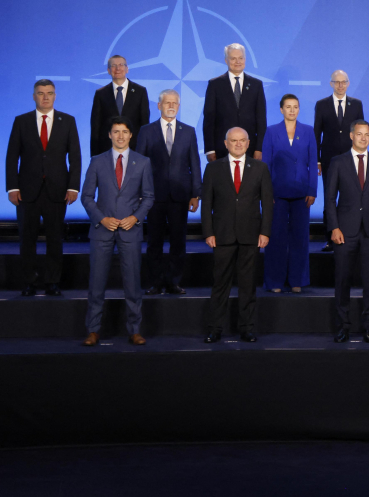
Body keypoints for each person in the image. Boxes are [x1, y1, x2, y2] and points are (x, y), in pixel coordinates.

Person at [80, 117, 154, 346]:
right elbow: (87, 197)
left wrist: (135, 217)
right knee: (96, 284)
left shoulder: (143, 162)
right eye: (116, 131)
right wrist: (102, 219)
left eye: (124, 132)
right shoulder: (97, 161)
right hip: (102, 231)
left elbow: (149, 197)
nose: (120, 136)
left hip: (130, 231)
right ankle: (93, 330)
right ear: (109, 135)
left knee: (132, 284)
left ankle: (134, 330)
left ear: (131, 135)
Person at [5, 79, 81, 296]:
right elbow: (12, 157)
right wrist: (12, 187)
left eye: (49, 93)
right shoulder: (22, 121)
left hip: (57, 190)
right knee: (26, 239)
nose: (45, 97)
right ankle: (29, 282)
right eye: (40, 93)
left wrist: (73, 187)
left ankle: (52, 282)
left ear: (55, 95)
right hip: (27, 191)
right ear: (34, 96)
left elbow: (75, 157)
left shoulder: (67, 121)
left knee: (55, 239)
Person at [200, 127, 273, 344]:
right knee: (220, 284)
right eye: (234, 141)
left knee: (248, 285)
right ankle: (215, 328)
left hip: (250, 235)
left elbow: (267, 204)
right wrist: (208, 232)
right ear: (226, 143)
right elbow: (207, 205)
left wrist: (265, 232)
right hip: (222, 235)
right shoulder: (213, 169)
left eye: (242, 140)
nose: (238, 144)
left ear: (248, 143)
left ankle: (247, 328)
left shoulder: (260, 168)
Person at [325, 120, 369, 344]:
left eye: (367, 134)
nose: (363, 138)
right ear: (351, 136)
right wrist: (334, 227)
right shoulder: (338, 162)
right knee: (342, 281)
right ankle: (343, 327)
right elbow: (330, 199)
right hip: (344, 231)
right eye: (359, 134)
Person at [134, 89, 200, 295]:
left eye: (175, 103)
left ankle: (174, 281)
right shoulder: (146, 131)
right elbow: (139, 163)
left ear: (179, 107)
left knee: (178, 241)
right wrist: (138, 192)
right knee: (154, 241)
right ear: (159, 105)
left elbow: (194, 164)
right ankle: (155, 282)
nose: (171, 106)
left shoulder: (188, 131)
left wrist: (196, 193)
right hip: (153, 195)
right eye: (167, 102)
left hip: (180, 196)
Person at [262, 94, 317, 293]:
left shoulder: (308, 131)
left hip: (302, 192)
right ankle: (274, 281)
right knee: (275, 237)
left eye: (295, 107)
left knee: (300, 238)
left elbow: (312, 163)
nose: (292, 110)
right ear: (281, 110)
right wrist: (266, 193)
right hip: (277, 192)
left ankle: (297, 280)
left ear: (299, 109)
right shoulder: (271, 131)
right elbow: (265, 164)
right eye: (288, 107)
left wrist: (312, 190)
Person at [314, 70, 365, 253]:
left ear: (349, 83)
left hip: (352, 159)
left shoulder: (356, 104)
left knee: (353, 196)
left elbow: (362, 132)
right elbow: (316, 133)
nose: (340, 85)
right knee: (330, 197)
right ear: (331, 84)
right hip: (329, 160)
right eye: (337, 82)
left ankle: (354, 235)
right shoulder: (321, 105)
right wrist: (317, 160)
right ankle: (329, 238)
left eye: (344, 82)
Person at [203, 43, 266, 162]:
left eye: (240, 58)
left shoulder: (256, 85)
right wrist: (210, 149)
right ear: (226, 60)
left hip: (250, 149)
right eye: (233, 58)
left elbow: (261, 120)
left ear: (245, 59)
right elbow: (209, 119)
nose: (238, 61)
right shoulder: (215, 85)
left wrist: (259, 148)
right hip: (221, 149)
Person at [89, 55, 149, 156]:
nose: (118, 68)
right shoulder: (101, 94)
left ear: (127, 69)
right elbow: (95, 127)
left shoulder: (140, 92)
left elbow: (145, 125)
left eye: (121, 65)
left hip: (134, 151)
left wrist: (144, 154)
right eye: (113, 65)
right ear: (108, 70)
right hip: (107, 152)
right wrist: (95, 157)